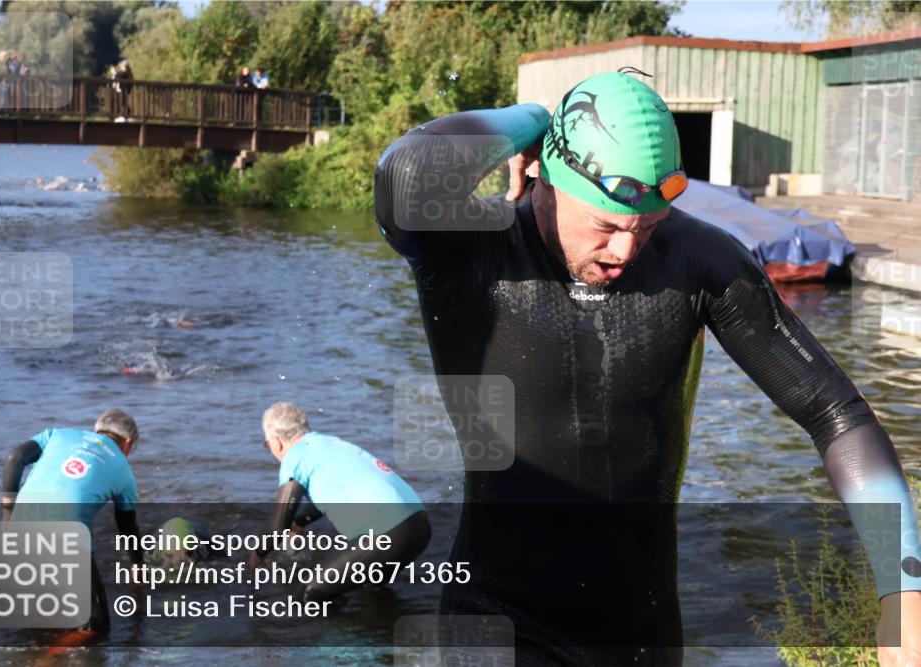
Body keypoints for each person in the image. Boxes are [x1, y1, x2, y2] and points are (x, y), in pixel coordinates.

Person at [374, 70, 921, 665]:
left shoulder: (701, 261)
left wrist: (905, 588)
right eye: (606, 225)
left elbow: (836, 414)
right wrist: (532, 118)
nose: (625, 252)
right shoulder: (470, 247)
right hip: (496, 624)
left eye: (648, 228)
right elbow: (406, 172)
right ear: (546, 177)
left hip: (643, 635)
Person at [249, 402, 431, 603]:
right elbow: (334, 490)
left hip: (388, 532)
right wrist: (300, 522)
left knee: (309, 596)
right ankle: (379, 631)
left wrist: (257, 556)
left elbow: (279, 523)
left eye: (267, 445)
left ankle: (339, 635)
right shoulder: (330, 443)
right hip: (419, 526)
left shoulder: (294, 457)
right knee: (368, 593)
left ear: (276, 441)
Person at [2, 408, 143, 636]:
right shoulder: (124, 471)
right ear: (128, 443)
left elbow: (15, 457)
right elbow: (127, 528)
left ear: (97, 430)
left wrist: (8, 514)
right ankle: (40, 662)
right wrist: (138, 568)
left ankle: (38, 645)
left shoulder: (56, 435)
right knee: (94, 628)